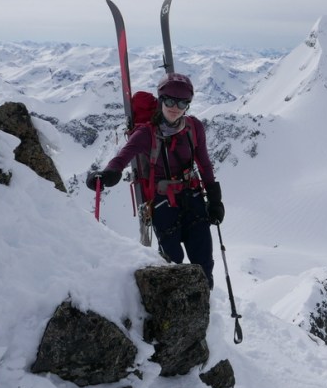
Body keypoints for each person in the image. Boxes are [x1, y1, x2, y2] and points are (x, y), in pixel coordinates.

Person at [85, 73, 224, 289]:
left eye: (182, 102)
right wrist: (109, 173)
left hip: (194, 200)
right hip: (163, 205)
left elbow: (204, 164)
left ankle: (204, 311)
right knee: (172, 264)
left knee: (204, 263)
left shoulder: (194, 128)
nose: (175, 107)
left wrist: (215, 199)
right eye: (169, 100)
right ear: (160, 99)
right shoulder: (146, 134)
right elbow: (123, 156)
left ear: (188, 104)